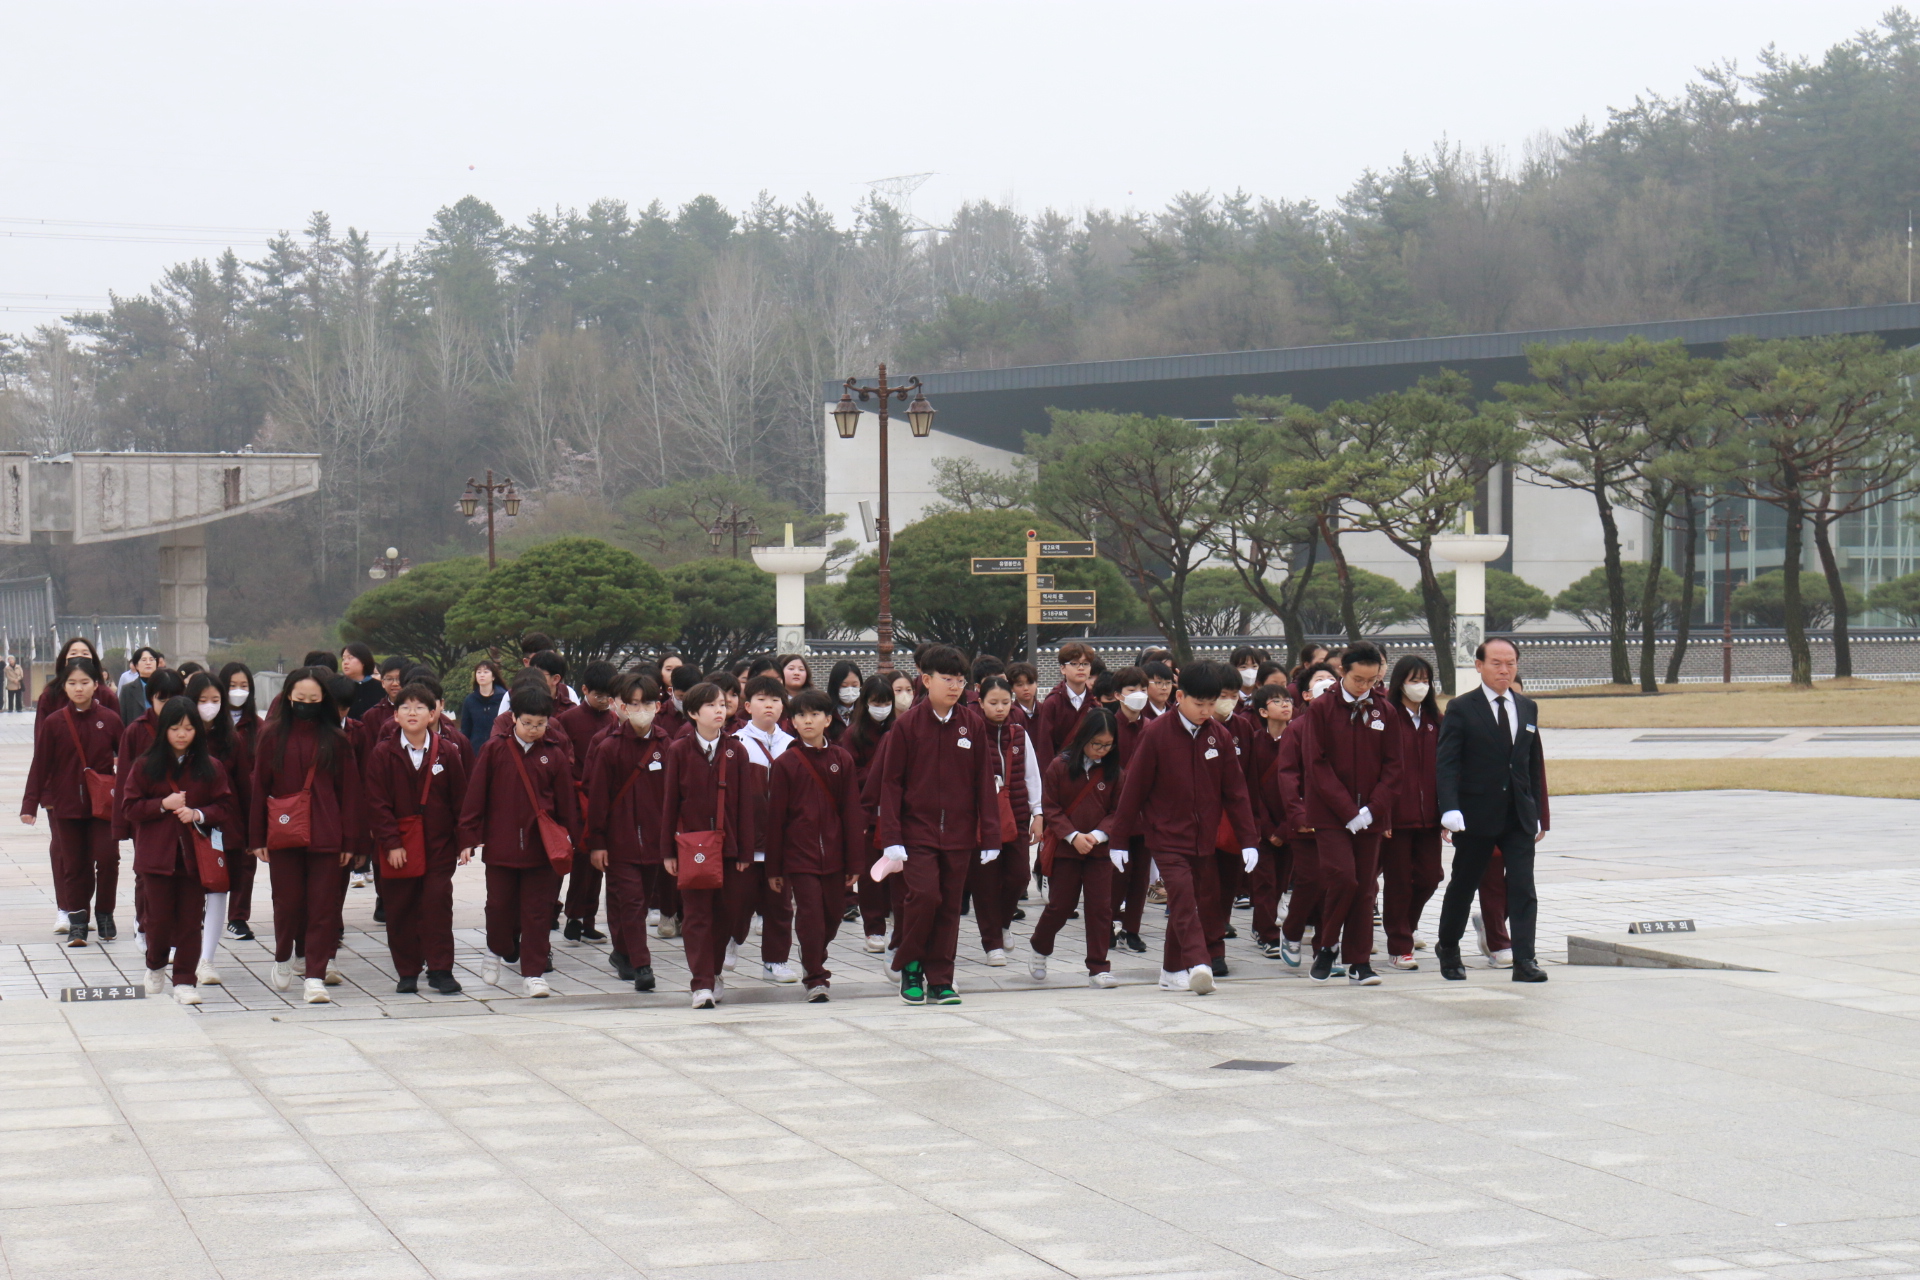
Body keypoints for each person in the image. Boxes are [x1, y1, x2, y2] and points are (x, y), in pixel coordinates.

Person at [1106, 661, 1259, 996]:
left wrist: (1249, 839)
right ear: (1180, 696)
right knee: (1184, 899)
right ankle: (1199, 962)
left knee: (1198, 898)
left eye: (1211, 704)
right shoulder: (1156, 733)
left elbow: (1236, 792)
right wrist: (1118, 839)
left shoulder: (1219, 736)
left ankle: (1171, 970)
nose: (1206, 711)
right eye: (1198, 704)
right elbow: (1134, 789)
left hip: (1203, 838)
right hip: (1165, 836)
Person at [874, 644, 1000, 1006]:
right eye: (947, 679)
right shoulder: (907, 726)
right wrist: (893, 837)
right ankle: (910, 966)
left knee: (949, 907)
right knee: (925, 897)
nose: (955, 686)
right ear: (926, 680)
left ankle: (941, 978)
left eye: (961, 680)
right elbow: (891, 784)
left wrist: (989, 834)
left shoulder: (972, 724)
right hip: (917, 834)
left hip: (960, 834)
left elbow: (983, 782)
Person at [1435, 639, 1551, 984]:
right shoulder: (1461, 708)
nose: (1504, 670)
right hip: (1476, 813)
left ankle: (1524, 959)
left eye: (1511, 663)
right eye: (1497, 663)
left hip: (1518, 815)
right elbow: (1447, 763)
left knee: (1522, 887)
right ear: (1479, 666)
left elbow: (1532, 763)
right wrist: (1449, 808)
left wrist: (1540, 812)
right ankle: (1449, 948)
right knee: (1465, 884)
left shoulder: (1527, 707)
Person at [458, 685, 578, 998]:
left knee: (538, 910)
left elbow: (566, 804)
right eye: (528, 723)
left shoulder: (554, 752)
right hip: (501, 845)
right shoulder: (494, 749)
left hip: (542, 849)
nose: (534, 730)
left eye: (541, 724)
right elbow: (475, 796)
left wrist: (572, 840)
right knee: (498, 906)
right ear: (513, 718)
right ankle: (494, 950)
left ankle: (534, 973)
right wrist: (469, 837)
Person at [249, 667, 360, 1003]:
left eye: (314, 699)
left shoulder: (337, 740)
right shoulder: (271, 736)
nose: (307, 704)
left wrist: (351, 841)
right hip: (284, 835)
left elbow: (351, 793)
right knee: (288, 903)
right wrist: (257, 838)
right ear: (288, 698)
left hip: (326, 834)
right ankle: (284, 955)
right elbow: (259, 788)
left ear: (323, 700)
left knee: (323, 907)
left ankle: (315, 975)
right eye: (301, 699)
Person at [1299, 641, 1400, 987]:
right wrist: (1348, 810)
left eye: (1371, 680)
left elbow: (1394, 766)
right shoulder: (1322, 709)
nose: (1364, 686)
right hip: (1330, 816)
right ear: (1343, 671)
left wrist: (1373, 809)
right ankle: (1327, 944)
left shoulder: (1384, 711)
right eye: (1359, 679)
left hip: (1371, 816)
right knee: (1344, 878)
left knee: (1365, 889)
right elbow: (1317, 764)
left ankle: (1359, 961)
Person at [124, 696, 233, 1005]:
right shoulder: (146, 765)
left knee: (189, 921)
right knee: (156, 920)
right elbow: (129, 807)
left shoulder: (210, 767)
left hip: (193, 858)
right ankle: (155, 966)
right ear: (164, 731)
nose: (182, 734)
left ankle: (185, 979)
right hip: (156, 857)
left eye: (188, 728)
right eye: (175, 728)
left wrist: (198, 814)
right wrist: (162, 804)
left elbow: (225, 805)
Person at [365, 683, 470, 995]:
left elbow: (460, 801)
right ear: (395, 715)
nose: (413, 712)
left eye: (420, 707)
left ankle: (440, 969)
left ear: (433, 713)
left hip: (438, 846)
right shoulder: (383, 753)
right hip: (399, 849)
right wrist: (391, 842)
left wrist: (465, 841)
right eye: (406, 707)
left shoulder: (448, 752)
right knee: (400, 908)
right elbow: (376, 802)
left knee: (437, 905)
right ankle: (407, 971)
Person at [659, 681, 757, 1009]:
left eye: (722, 704)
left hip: (729, 848)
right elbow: (670, 802)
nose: (720, 710)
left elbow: (745, 805)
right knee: (697, 914)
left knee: (726, 913)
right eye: (711, 705)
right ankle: (700, 983)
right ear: (692, 713)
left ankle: (714, 972)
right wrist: (667, 851)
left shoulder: (736, 750)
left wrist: (745, 851)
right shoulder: (679, 750)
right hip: (692, 847)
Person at [765, 689, 863, 1000]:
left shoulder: (841, 759)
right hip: (799, 856)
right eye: (801, 715)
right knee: (810, 915)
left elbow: (852, 813)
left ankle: (814, 954)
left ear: (828, 719)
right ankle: (816, 976)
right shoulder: (785, 763)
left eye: (815, 714)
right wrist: (774, 867)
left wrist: (855, 862)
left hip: (835, 854)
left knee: (833, 914)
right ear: (792, 721)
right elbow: (776, 819)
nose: (808, 720)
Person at [21, 657, 123, 946]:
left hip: (102, 807)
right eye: (72, 683)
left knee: (107, 858)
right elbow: (40, 765)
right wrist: (30, 805)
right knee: (74, 865)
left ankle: (105, 913)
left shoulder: (111, 720)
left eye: (85, 682)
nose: (79, 688)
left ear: (96, 685)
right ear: (64, 686)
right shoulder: (54, 723)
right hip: (66, 806)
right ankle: (78, 921)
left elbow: (129, 761)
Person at [584, 673, 672, 993]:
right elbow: (597, 799)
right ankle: (642, 963)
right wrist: (597, 842)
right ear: (619, 706)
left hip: (653, 839)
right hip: (619, 841)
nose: (640, 709)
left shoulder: (667, 745)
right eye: (632, 703)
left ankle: (622, 952)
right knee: (633, 901)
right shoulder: (608, 747)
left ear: (658, 705)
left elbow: (675, 797)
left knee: (641, 899)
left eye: (646, 702)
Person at [1029, 707, 1123, 988]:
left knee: (1100, 908)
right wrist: (1072, 836)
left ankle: (1098, 967)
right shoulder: (1059, 766)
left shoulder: (1115, 772)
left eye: (1107, 745)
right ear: (1084, 738)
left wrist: (1097, 835)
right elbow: (1051, 807)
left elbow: (1118, 812)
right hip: (1067, 850)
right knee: (1060, 905)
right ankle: (1040, 946)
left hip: (1098, 851)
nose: (1101, 750)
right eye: (1096, 744)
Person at [969, 675, 1041, 966]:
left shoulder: (1019, 733)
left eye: (1005, 702)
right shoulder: (971, 732)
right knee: (985, 883)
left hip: (1018, 815)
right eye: (993, 702)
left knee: (1019, 876)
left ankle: (1003, 923)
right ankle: (992, 944)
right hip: (982, 820)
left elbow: (1032, 774)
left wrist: (1038, 813)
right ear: (980, 701)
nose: (1000, 708)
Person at [732, 674, 798, 983]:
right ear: (747, 706)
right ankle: (728, 945)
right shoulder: (736, 744)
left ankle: (776, 960)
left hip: (781, 843)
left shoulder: (793, 745)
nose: (768, 705)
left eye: (774, 700)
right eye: (761, 699)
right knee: (738, 900)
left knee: (779, 906)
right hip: (747, 841)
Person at [187, 672, 250, 982]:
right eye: (202, 701)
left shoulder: (232, 739)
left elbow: (244, 787)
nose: (209, 707)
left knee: (217, 889)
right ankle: (180, 948)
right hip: (185, 824)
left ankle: (207, 958)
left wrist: (251, 831)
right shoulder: (180, 734)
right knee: (187, 891)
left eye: (215, 700)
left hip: (222, 825)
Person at [1380, 655, 1441, 971]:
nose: (1420, 686)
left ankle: (1407, 922)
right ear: (1399, 682)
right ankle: (1399, 944)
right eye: (1413, 680)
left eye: (1425, 680)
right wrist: (1384, 813)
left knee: (1432, 876)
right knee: (1399, 881)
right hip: (1397, 818)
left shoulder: (1435, 719)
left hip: (1430, 815)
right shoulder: (1388, 717)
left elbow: (1446, 768)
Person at [557, 660, 622, 942]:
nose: (604, 701)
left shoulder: (615, 720)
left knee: (599, 864)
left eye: (609, 696)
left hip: (606, 800)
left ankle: (588, 919)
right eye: (598, 695)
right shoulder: (568, 720)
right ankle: (572, 915)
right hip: (577, 798)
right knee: (582, 862)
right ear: (584, 690)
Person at [843, 673, 899, 952]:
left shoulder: (901, 730)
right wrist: (879, 767)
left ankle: (898, 926)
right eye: (876, 702)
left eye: (886, 701)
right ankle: (873, 929)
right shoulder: (852, 735)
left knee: (898, 872)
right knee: (870, 875)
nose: (882, 707)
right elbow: (849, 775)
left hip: (896, 812)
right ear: (866, 704)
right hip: (866, 812)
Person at [1244, 683, 1294, 959]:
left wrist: (1285, 827)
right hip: (1261, 827)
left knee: (1281, 881)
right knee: (1264, 880)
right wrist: (1266, 828)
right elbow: (1250, 788)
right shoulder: (1254, 743)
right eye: (1277, 701)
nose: (1286, 704)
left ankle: (1262, 925)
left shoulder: (1298, 740)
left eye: (1288, 700)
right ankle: (1268, 934)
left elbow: (1303, 787)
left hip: (1290, 825)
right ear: (1263, 711)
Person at [1033, 641, 1096, 761]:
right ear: (1063, 668)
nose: (1081, 668)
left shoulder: (1094, 704)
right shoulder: (1052, 703)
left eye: (1085, 664)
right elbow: (1045, 745)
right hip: (1060, 769)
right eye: (1074, 663)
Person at [38, 638, 120, 722]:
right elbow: (41, 732)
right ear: (64, 660)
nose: (79, 657)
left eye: (85, 654)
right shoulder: (50, 695)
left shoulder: (106, 695)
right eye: (73, 654)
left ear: (93, 660)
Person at [460, 659, 507, 744]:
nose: (482, 675)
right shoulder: (470, 700)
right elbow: (466, 729)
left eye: (486, 672)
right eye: (479, 672)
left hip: (499, 747)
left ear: (493, 676)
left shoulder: (504, 698)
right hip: (476, 749)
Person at [117, 646, 165, 721]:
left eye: (152, 660)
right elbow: (122, 718)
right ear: (136, 665)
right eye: (144, 660)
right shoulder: (127, 690)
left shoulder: (165, 687)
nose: (148, 663)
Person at [341, 642, 384, 719]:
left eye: (350, 658)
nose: (345, 662)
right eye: (343, 659)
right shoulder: (339, 686)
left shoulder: (380, 687)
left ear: (364, 660)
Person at [825, 660, 864, 740]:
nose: (850, 690)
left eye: (854, 685)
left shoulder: (864, 712)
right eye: (844, 686)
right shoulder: (826, 712)